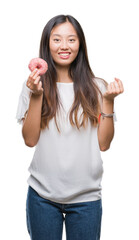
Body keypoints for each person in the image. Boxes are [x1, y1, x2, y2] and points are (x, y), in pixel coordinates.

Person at [16, 15, 124, 240]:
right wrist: (37, 95)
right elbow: (29, 140)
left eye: (71, 40)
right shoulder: (33, 85)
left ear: (80, 45)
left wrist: (109, 102)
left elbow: (104, 144)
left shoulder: (98, 87)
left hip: (87, 200)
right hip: (42, 197)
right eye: (57, 39)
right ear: (47, 44)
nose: (64, 46)